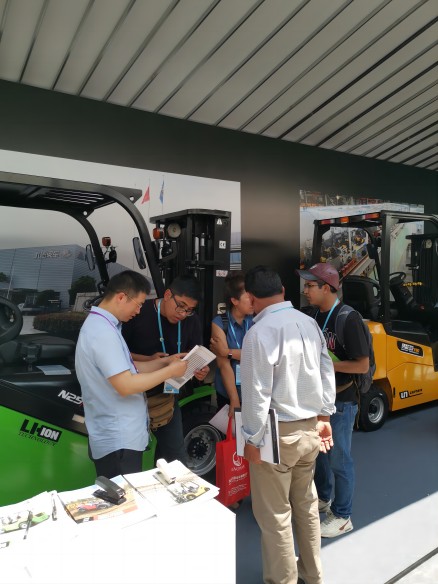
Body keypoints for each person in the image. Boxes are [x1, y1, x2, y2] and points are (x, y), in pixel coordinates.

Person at [240, 266, 336, 584]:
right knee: (306, 506)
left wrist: (252, 439)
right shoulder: (309, 323)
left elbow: (256, 393)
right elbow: (326, 370)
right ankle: (312, 574)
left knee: (275, 514)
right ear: (282, 290)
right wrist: (325, 416)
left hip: (276, 434)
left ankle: (283, 580)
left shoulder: (258, 334)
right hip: (310, 430)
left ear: (250, 298)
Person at [75, 270, 187, 479]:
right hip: (118, 440)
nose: (138, 311)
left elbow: (127, 369)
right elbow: (126, 385)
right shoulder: (103, 333)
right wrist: (170, 371)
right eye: (138, 304)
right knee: (123, 496)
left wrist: (164, 362)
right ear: (121, 297)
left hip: (119, 438)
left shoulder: (104, 326)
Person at [297, 262, 370, 538]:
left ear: (327, 288)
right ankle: (324, 498)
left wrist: (325, 364)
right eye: (306, 285)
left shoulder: (348, 318)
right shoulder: (313, 315)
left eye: (310, 285)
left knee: (340, 460)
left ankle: (342, 515)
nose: (305, 290)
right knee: (321, 456)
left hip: (342, 401)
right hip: (318, 400)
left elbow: (362, 365)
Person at [122, 275, 209, 464]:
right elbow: (118, 353)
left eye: (189, 310)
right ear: (168, 295)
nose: (183, 314)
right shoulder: (138, 312)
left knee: (176, 457)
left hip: (166, 397)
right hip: (133, 394)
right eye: (181, 306)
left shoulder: (191, 321)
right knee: (131, 458)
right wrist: (149, 360)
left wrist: (200, 370)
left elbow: (194, 355)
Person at [210, 272, 254, 419]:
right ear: (234, 300)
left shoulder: (257, 320)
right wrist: (234, 399)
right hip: (227, 392)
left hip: (254, 392)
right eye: (248, 297)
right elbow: (224, 365)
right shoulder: (219, 323)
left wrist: (226, 352)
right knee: (230, 430)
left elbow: (259, 355)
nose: (253, 300)